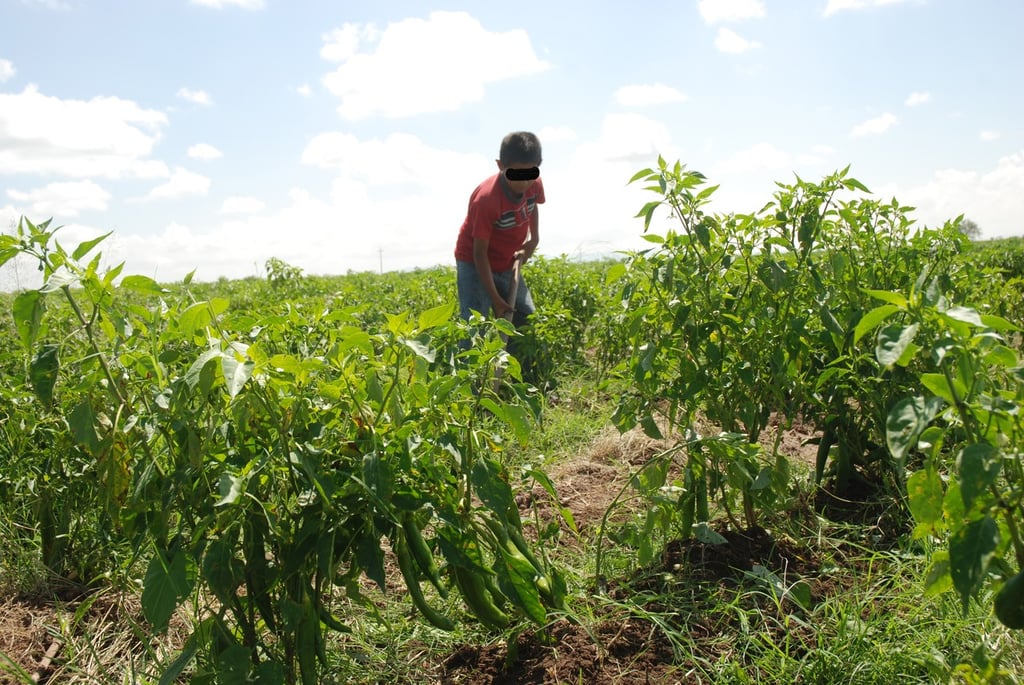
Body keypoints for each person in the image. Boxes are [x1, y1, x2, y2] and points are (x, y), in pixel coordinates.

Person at [454, 131, 545, 378]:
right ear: (501, 166)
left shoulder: (534, 181)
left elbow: (533, 205)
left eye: (530, 173)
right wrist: (495, 298)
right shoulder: (486, 199)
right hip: (474, 263)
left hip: (507, 259)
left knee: (525, 317)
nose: (524, 182)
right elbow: (479, 254)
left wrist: (533, 239)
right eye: (517, 174)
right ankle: (469, 385)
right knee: (475, 324)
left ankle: (521, 377)